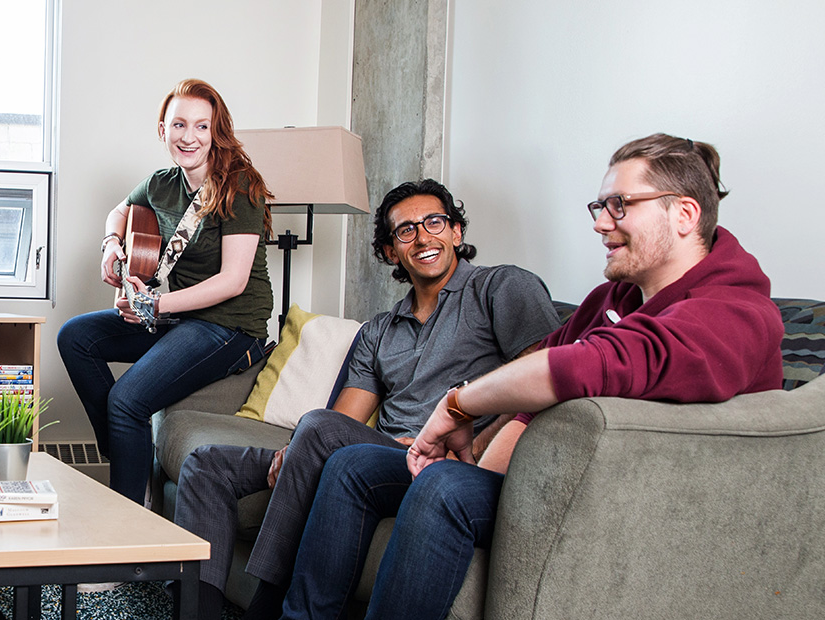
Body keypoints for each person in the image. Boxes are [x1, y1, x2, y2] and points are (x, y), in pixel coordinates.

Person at [280, 134, 784, 620]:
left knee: (443, 489)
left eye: (620, 206)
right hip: (547, 475)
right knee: (354, 466)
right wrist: (478, 452)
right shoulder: (616, 298)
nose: (601, 223)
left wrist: (457, 405)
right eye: (599, 206)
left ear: (684, 214)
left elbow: (591, 364)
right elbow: (543, 362)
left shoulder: (734, 311)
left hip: (628, 499)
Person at [172, 180, 561, 619]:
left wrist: (477, 452)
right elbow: (344, 421)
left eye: (434, 222)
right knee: (207, 463)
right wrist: (298, 451)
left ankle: (266, 605)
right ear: (391, 251)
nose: (423, 237)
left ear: (456, 232)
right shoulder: (380, 330)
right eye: (406, 231)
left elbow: (543, 378)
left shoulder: (500, 288)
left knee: (318, 431)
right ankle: (198, 613)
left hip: (447, 462)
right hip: (379, 455)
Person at [58, 78, 274, 504]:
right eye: (178, 125)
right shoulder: (162, 183)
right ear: (163, 130)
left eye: (200, 126)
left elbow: (233, 280)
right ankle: (128, 448)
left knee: (127, 400)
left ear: (216, 132)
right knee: (75, 337)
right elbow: (118, 212)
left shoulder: (241, 186)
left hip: (230, 326)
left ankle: (127, 534)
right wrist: (111, 245)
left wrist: (154, 305)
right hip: (184, 315)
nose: (188, 137)